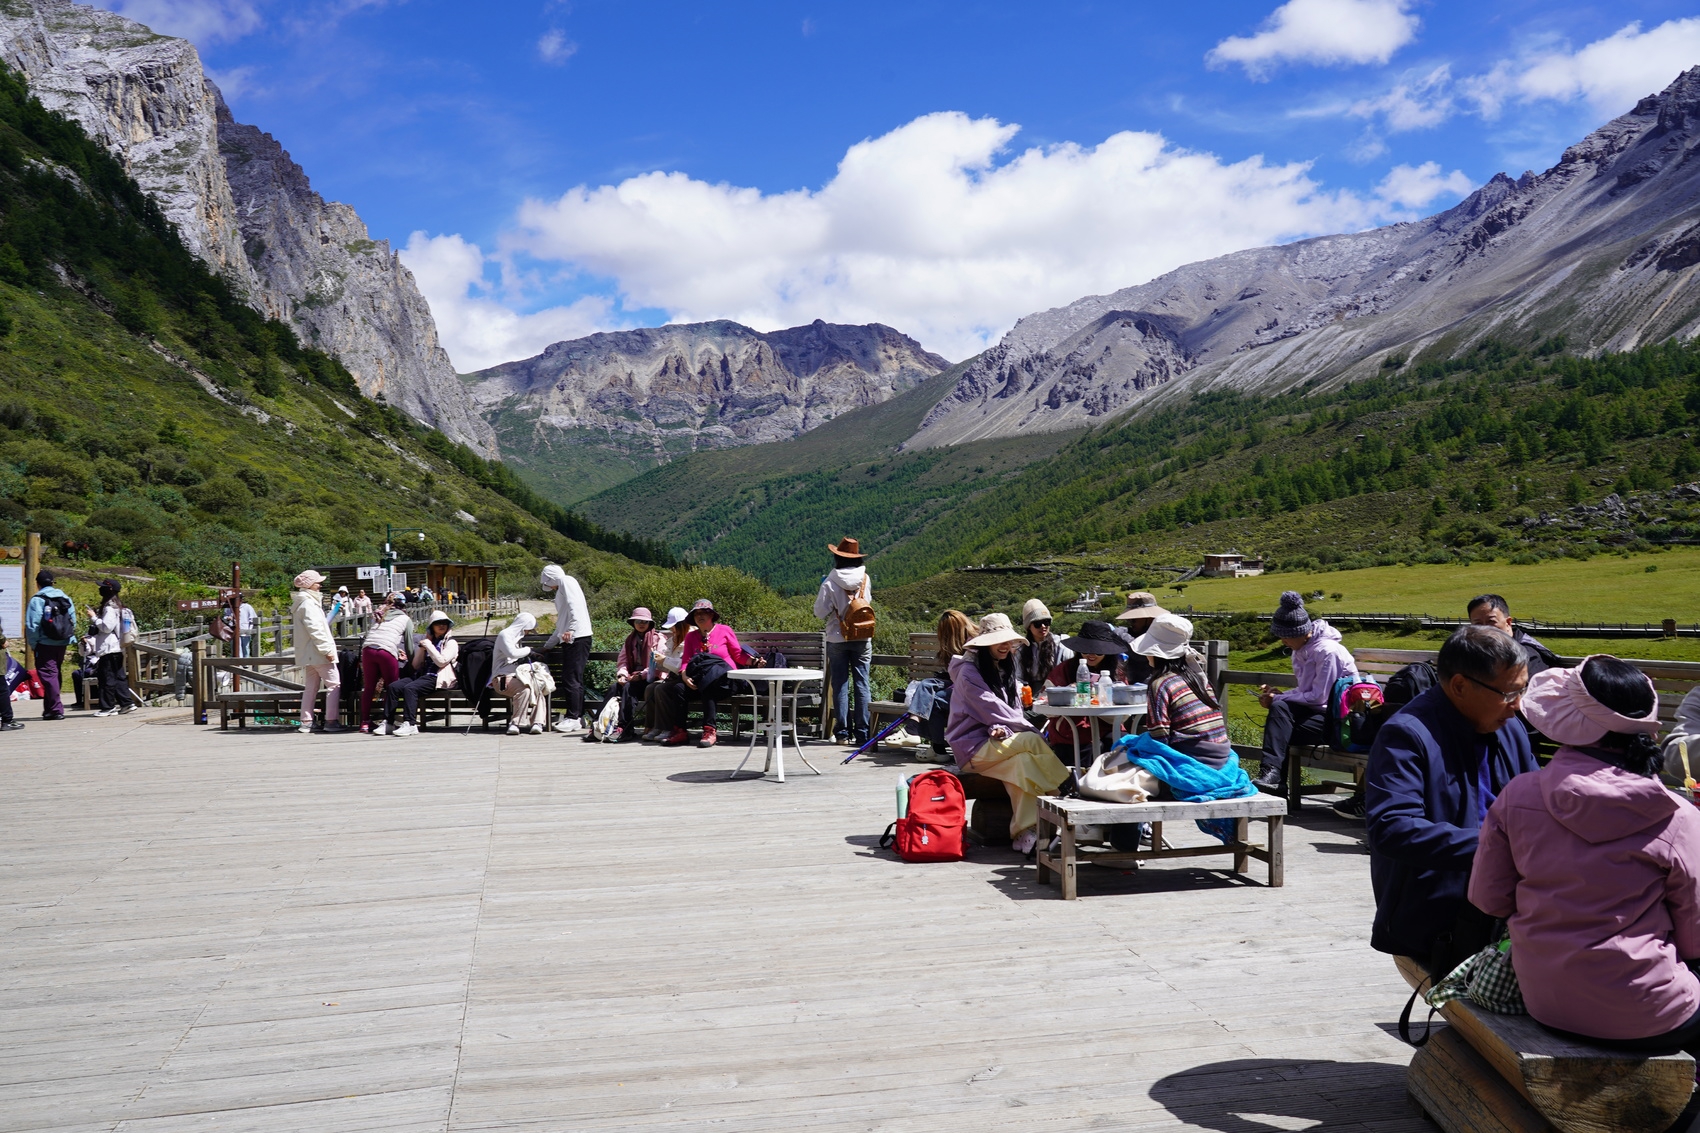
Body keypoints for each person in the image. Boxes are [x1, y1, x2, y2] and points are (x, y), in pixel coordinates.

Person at [1467, 656, 1700, 1051]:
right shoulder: (1676, 815)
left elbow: (1489, 899)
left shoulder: (1519, 794)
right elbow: (1695, 939)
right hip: (1649, 1014)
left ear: (1571, 721)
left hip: (1545, 1001)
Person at [1365, 626, 1538, 977]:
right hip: (1441, 917)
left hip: (1509, 910)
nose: (1517, 705)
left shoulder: (1510, 728)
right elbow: (1393, 828)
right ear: (1459, 686)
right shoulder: (1407, 734)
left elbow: (1538, 804)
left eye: (1522, 691)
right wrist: (1498, 847)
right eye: (1508, 693)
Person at [946, 612, 1070, 856]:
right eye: (998, 641)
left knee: (1023, 764)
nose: (1005, 646)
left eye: (1008, 641)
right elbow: (991, 708)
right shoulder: (968, 672)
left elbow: (1003, 714)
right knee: (1032, 739)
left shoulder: (1004, 666)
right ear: (984, 644)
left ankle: (1026, 833)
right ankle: (1065, 795)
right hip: (972, 749)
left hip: (996, 744)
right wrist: (1026, 728)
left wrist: (1000, 728)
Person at [1251, 591, 1358, 792]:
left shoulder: (1328, 652)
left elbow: (1319, 697)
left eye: (1286, 636)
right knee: (1280, 713)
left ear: (1300, 632)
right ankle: (1272, 777)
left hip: (1340, 721)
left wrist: (1279, 697)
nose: (1283, 641)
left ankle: (1275, 780)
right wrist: (1280, 696)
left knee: (1280, 724)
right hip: (1320, 716)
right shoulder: (1301, 650)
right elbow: (1306, 692)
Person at [1133, 613, 1232, 769]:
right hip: (1221, 755)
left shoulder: (1160, 683)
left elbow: (1160, 737)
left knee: (1128, 746)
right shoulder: (1197, 678)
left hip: (1194, 758)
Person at [665, 598, 758, 748]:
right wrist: (684, 675)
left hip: (727, 680)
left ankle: (710, 731)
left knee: (708, 686)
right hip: (701, 680)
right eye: (696, 614)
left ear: (711, 615)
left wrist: (754, 662)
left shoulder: (724, 630)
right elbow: (686, 661)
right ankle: (680, 731)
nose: (700, 616)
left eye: (704, 612)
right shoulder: (691, 637)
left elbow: (738, 655)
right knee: (679, 689)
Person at [814, 537, 874, 745]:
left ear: (838, 557)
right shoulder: (865, 578)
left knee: (840, 684)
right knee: (862, 683)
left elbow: (819, 612)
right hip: (862, 636)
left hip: (837, 637)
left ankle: (842, 733)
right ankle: (863, 733)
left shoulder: (830, 582)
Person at [1042, 620, 1128, 765]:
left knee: (1120, 743)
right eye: (1086, 650)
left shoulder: (1117, 672)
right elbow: (1045, 702)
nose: (1091, 655)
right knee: (1085, 746)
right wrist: (1069, 692)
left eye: (1098, 651)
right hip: (1071, 728)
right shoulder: (1064, 669)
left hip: (1109, 724)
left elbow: (1125, 711)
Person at [381, 611, 458, 736]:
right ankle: (388, 723)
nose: (441, 625)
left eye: (444, 623)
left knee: (410, 689)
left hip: (437, 677)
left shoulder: (451, 642)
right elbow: (416, 665)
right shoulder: (429, 642)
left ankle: (410, 724)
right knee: (393, 687)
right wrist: (422, 649)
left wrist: (429, 646)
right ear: (432, 627)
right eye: (437, 623)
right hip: (421, 676)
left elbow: (442, 662)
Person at [540, 564, 593, 733]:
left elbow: (574, 606)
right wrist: (548, 645)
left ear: (551, 578)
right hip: (575, 638)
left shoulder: (566, 581)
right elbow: (562, 622)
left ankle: (573, 717)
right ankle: (579, 716)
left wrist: (572, 629)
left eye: (549, 583)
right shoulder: (565, 584)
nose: (551, 587)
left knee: (570, 678)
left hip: (576, 638)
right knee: (574, 678)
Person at [290, 570, 344, 734]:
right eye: (317, 583)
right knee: (334, 684)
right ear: (309, 585)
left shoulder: (302, 603)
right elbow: (316, 630)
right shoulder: (309, 604)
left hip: (309, 654)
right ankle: (331, 720)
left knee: (310, 687)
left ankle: (306, 721)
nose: (320, 585)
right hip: (318, 653)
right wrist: (326, 649)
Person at [359, 594, 414, 734]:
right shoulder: (406, 619)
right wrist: (413, 662)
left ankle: (365, 722)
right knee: (392, 687)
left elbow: (379, 636)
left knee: (369, 687)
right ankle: (387, 721)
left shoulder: (380, 613)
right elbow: (409, 645)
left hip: (368, 650)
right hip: (386, 653)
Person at [1467, 594, 1560, 677]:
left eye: (1491, 621)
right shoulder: (1472, 652)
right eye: (1478, 624)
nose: (1485, 629)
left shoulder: (1527, 655)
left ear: (1508, 622)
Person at [24, 569, 74, 721]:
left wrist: (34, 643)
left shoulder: (37, 600)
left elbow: (32, 625)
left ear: (38, 584)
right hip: (62, 642)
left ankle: (56, 710)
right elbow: (72, 620)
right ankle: (49, 709)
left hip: (45, 643)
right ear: (52, 582)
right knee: (54, 673)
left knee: (48, 675)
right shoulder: (65, 597)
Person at [492, 611, 552, 735]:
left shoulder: (517, 639)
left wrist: (533, 654)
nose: (528, 633)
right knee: (525, 690)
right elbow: (512, 653)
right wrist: (529, 650)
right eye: (528, 630)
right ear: (523, 626)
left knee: (537, 686)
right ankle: (515, 724)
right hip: (502, 678)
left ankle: (537, 723)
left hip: (518, 676)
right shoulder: (505, 635)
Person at [85, 579, 134, 716]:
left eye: (102, 588)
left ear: (108, 590)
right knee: (118, 677)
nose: (100, 590)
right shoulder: (118, 606)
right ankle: (126, 703)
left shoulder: (109, 608)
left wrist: (94, 618)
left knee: (106, 678)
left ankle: (108, 707)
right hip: (116, 647)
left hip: (109, 648)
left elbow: (106, 627)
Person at [641, 607, 690, 741]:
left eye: (674, 626)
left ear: (682, 625)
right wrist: (656, 661)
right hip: (673, 677)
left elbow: (684, 665)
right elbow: (668, 667)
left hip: (684, 679)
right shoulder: (672, 640)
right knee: (650, 688)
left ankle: (667, 728)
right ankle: (654, 726)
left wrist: (664, 660)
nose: (672, 630)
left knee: (661, 689)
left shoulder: (691, 639)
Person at [613, 607, 659, 743]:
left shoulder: (657, 639)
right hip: (632, 677)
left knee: (629, 688)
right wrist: (622, 675)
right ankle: (597, 726)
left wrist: (640, 676)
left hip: (651, 678)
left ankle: (625, 728)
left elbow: (657, 664)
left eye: (645, 621)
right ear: (633, 623)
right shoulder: (630, 640)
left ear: (650, 623)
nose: (641, 624)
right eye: (638, 621)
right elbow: (623, 661)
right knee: (614, 688)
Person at [1014, 600, 1072, 690]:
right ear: (1029, 626)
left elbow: (1070, 673)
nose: (1043, 626)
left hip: (1059, 691)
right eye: (1037, 624)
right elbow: (1018, 679)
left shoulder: (1062, 645)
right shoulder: (1021, 651)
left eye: (1046, 622)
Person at [1115, 591, 1170, 686]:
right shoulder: (1138, 632)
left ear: (1149, 618)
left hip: (1154, 685)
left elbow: (1138, 651)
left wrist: (1117, 632)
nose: (1130, 622)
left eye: (1134, 619)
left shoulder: (1159, 635)